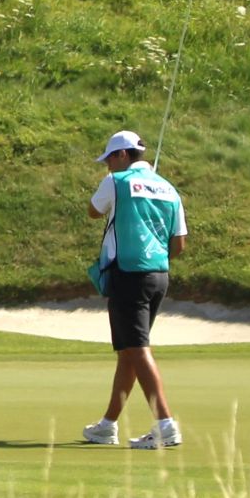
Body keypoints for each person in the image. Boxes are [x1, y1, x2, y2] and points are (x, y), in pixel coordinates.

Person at [78, 128, 184, 451]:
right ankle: (107, 426)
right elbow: (177, 244)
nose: (108, 166)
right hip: (159, 276)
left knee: (137, 349)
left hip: (129, 274)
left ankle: (166, 424)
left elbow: (94, 210)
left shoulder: (117, 182)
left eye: (110, 159)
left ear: (123, 155)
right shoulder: (169, 189)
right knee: (128, 352)